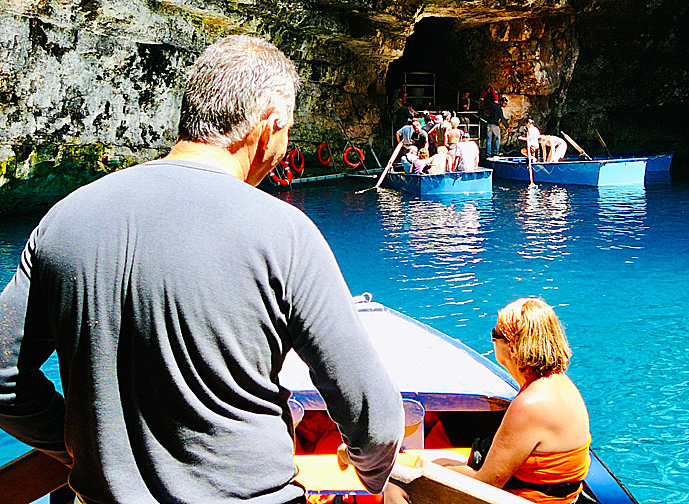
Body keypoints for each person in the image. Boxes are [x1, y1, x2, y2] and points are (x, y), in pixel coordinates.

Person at [0, 34, 404, 504]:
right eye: (288, 130)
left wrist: (77, 447)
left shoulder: (64, 219)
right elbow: (374, 418)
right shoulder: (284, 232)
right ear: (269, 127)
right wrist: (374, 478)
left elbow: (3, 378)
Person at [439, 298, 591, 504]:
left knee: (399, 483)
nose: (492, 340)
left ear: (512, 346)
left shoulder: (530, 404)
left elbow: (485, 485)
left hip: (532, 499)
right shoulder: (560, 384)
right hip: (564, 497)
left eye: (495, 335)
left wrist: (428, 468)